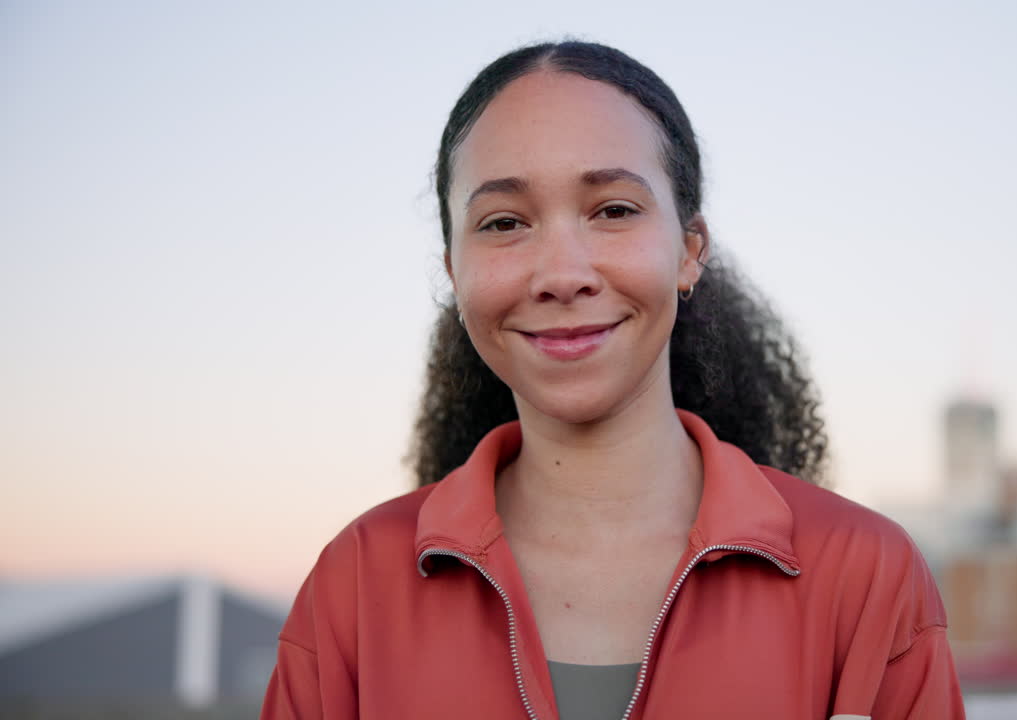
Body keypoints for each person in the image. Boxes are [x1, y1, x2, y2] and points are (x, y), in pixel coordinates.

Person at [261, 41, 965, 720]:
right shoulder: (353, 587)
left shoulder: (866, 577)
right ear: (453, 271)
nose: (562, 275)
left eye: (614, 210)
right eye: (504, 222)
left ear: (690, 252)